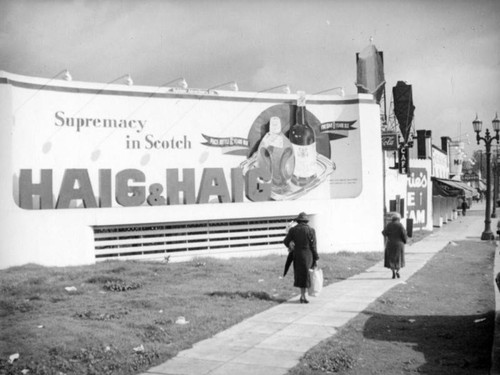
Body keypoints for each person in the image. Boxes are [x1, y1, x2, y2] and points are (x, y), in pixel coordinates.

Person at [284, 212, 319, 303]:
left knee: (300, 276)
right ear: (306, 221)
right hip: (308, 255)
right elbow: (313, 246)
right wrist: (316, 258)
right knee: (307, 275)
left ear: (298, 221)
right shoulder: (311, 230)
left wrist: (291, 246)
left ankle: (302, 295)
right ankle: (304, 296)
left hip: (298, 255)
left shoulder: (293, 230)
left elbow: (285, 241)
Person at [382, 212, 408, 279]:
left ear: (392, 219)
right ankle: (398, 271)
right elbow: (404, 234)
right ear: (398, 218)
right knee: (399, 258)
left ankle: (393, 272)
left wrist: (388, 236)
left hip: (390, 244)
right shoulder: (400, 225)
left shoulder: (389, 225)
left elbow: (384, 232)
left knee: (391, 259)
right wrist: (405, 241)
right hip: (399, 244)